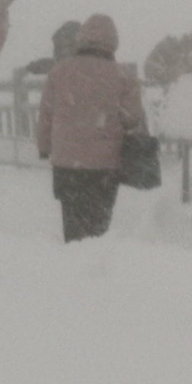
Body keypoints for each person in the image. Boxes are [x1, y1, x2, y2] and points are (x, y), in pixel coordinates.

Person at [34, 15, 147, 241]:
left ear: (81, 38)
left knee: (73, 222)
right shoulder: (123, 76)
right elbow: (132, 119)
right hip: (104, 165)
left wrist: (44, 147)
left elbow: (46, 114)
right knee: (98, 227)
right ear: (113, 41)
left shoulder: (59, 72)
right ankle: (94, 266)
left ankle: (73, 263)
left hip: (66, 164)